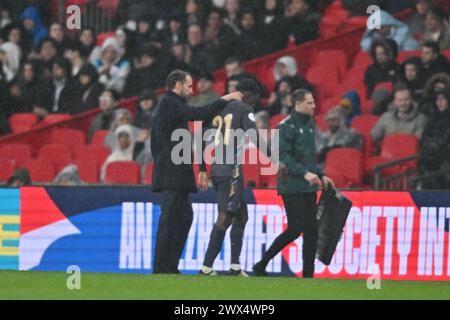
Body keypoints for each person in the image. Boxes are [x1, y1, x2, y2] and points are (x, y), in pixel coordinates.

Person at [151, 69, 243, 274]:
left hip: (176, 174)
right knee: (169, 220)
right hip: (170, 175)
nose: (192, 91)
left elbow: (156, 143)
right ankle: (160, 269)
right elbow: (198, 115)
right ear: (177, 85)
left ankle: (169, 267)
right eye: (189, 86)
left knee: (183, 217)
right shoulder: (169, 103)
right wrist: (225, 98)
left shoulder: (172, 107)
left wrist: (198, 168)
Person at [253, 89, 335, 278]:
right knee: (295, 229)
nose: (314, 106)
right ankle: (262, 263)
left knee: (311, 230)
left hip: (307, 185)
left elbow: (308, 158)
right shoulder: (285, 126)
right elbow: (281, 156)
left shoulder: (309, 126)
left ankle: (308, 275)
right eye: (310, 102)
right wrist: (305, 173)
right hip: (291, 185)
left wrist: (320, 175)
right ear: (298, 104)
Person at [198, 79, 270, 276]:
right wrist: (274, 158)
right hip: (232, 170)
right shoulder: (244, 108)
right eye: (255, 96)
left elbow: (200, 137)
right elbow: (254, 136)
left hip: (217, 167)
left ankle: (235, 266)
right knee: (225, 217)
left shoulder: (217, 108)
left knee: (241, 214)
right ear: (247, 93)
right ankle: (206, 267)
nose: (256, 101)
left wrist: (202, 168)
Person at [419, 87, 450, 189]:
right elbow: (423, 138)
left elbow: (446, 139)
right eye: (437, 99)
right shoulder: (433, 118)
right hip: (430, 160)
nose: (439, 102)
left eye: (443, 99)